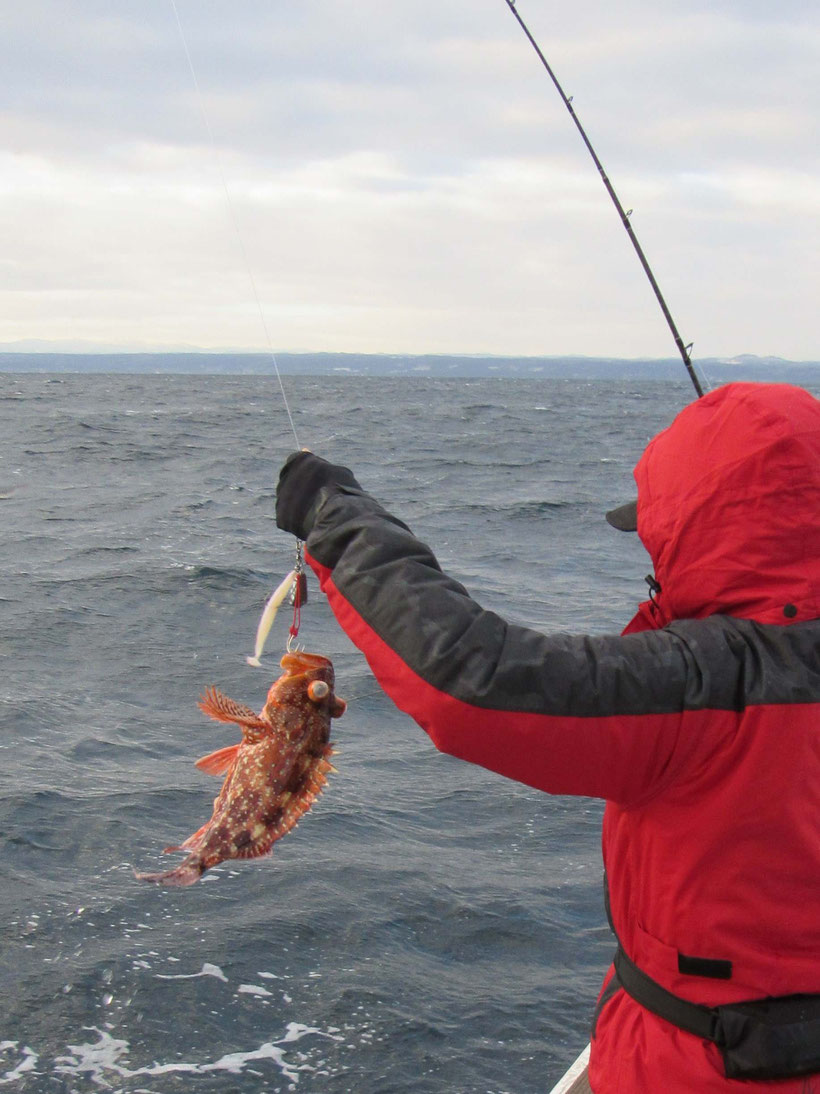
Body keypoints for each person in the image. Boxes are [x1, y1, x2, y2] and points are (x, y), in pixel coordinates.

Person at [275, 381, 820, 1093]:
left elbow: (474, 678)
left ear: (708, 532)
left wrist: (336, 517)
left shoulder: (708, 685)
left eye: (660, 533)